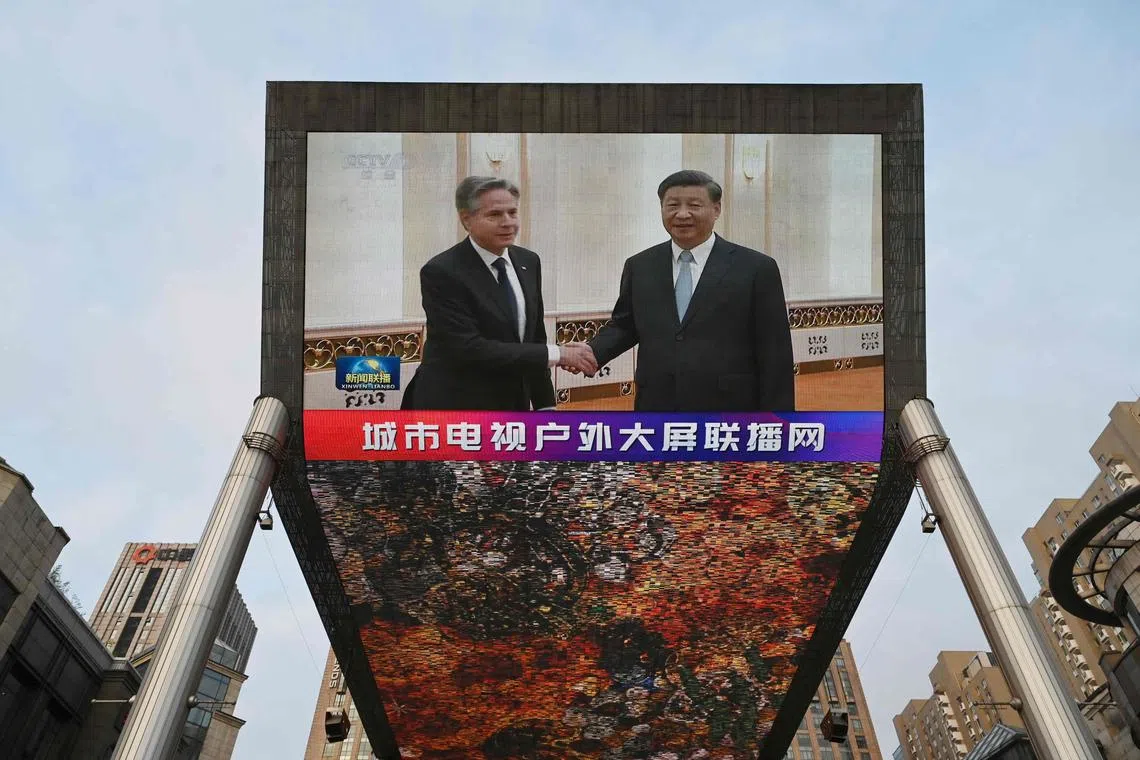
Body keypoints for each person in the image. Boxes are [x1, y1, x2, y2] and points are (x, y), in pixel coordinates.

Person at [586, 170, 795, 412]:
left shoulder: (756, 268)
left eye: (694, 205)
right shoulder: (640, 266)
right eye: (672, 205)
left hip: (729, 411)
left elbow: (775, 352)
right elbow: (625, 325)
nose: (682, 214)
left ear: (716, 209)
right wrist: (592, 352)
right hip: (657, 407)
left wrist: (780, 422)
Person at [401, 176, 596, 411]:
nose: (508, 223)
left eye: (512, 213)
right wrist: (559, 354)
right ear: (466, 219)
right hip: (455, 409)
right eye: (494, 215)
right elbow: (470, 348)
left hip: (513, 408)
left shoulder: (528, 262)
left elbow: (534, 339)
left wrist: (546, 406)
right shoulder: (442, 271)